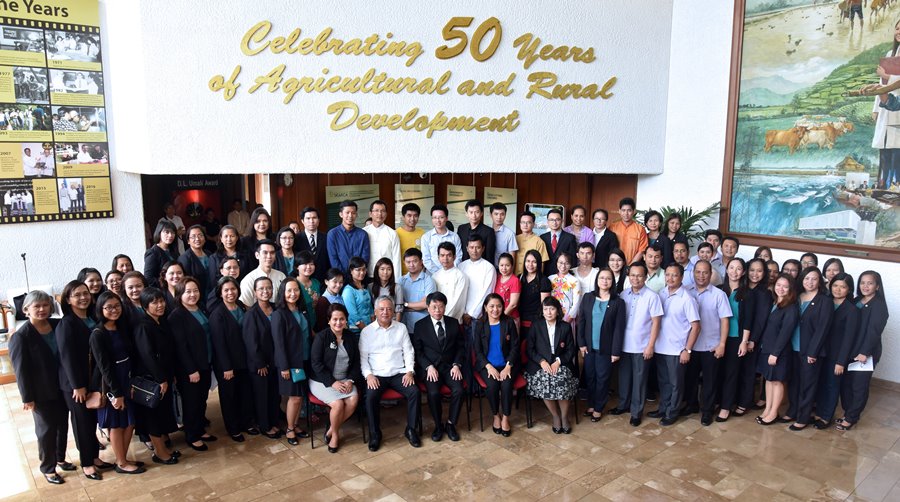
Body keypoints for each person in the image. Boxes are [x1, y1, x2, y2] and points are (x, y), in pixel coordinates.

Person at [9, 291, 73, 484]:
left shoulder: (57, 325)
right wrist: (27, 398)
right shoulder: (21, 336)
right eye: (37, 306)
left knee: (63, 424)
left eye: (45, 305)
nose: (42, 309)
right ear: (26, 309)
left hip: (62, 386)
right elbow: (21, 371)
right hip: (41, 392)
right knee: (46, 430)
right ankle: (48, 467)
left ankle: (60, 458)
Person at [90, 292, 144, 474]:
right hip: (112, 382)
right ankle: (121, 462)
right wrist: (116, 393)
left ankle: (124, 457)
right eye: (109, 307)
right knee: (116, 423)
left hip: (127, 378)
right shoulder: (98, 333)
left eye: (117, 306)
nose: (114, 310)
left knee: (130, 421)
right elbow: (104, 367)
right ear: (101, 309)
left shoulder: (122, 328)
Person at [56, 281, 106, 480]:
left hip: (92, 379)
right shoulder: (66, 323)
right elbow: (67, 357)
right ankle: (87, 464)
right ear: (68, 299)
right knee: (82, 423)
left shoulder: (92, 317)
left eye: (85, 294)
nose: (83, 297)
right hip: (75, 385)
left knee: (92, 421)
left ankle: (94, 457)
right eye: (77, 295)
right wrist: (78, 385)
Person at [360, 296, 421, 451]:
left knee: (414, 392)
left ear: (394, 311)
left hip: (398, 373)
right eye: (381, 309)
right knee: (370, 396)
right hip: (377, 375)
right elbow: (363, 358)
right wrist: (368, 375)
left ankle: (411, 430)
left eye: (389, 309)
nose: (385, 312)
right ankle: (375, 433)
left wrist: (409, 371)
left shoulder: (401, 328)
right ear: (375, 311)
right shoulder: (367, 332)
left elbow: (409, 352)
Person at [610, 262, 663, 426]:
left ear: (645, 277)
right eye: (632, 275)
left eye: (639, 275)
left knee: (639, 381)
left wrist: (650, 345)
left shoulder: (652, 296)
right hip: (624, 345)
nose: (635, 278)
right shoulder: (623, 295)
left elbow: (656, 323)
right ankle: (623, 405)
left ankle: (636, 412)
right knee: (624, 378)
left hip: (642, 346)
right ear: (628, 276)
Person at [130, 287, 180, 464]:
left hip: (164, 376)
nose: (160, 305)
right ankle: (160, 453)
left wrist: (170, 375)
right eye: (154, 302)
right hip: (152, 380)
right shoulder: (143, 326)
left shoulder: (161, 321)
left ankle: (163, 448)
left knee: (162, 414)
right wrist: (161, 379)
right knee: (153, 417)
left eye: (161, 301)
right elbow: (148, 355)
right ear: (145, 306)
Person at [168, 277, 216, 451]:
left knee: (201, 400)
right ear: (180, 294)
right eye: (188, 292)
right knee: (191, 402)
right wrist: (191, 369)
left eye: (195, 290)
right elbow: (181, 347)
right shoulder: (177, 316)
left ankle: (199, 428)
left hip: (205, 363)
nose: (192, 294)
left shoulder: (200, 308)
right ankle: (192, 435)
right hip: (190, 369)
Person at [837, 271, 889, 431]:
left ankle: (852, 417)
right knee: (846, 383)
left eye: (870, 283)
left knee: (858, 386)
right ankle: (848, 413)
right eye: (862, 282)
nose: (865, 286)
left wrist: (864, 352)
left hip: (865, 354)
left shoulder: (879, 305)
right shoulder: (856, 300)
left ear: (877, 286)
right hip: (850, 351)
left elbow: (874, 331)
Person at [650, 264, 700, 426]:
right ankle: (663, 408)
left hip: (677, 350)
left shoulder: (687, 298)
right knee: (663, 381)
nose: (670, 278)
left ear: (681, 277)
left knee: (675, 383)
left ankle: (673, 411)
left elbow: (696, 326)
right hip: (661, 347)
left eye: (675, 275)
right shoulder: (661, 293)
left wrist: (688, 349)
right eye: (668, 275)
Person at [783, 267, 832, 431]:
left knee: (808, 385)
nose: (810, 282)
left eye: (814, 279)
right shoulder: (796, 297)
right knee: (794, 382)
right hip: (793, 347)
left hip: (811, 351)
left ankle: (803, 417)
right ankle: (793, 410)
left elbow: (822, 329)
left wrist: (813, 352)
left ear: (820, 281)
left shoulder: (824, 300)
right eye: (806, 278)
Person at [683, 261, 731, 425]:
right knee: (690, 379)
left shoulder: (719, 294)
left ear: (711, 274)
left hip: (711, 346)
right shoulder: (686, 292)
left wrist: (722, 344)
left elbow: (725, 321)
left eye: (705, 272)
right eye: (698, 272)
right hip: (690, 346)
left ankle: (707, 411)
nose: (701, 276)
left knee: (710, 381)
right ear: (693, 273)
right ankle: (691, 405)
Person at [310, 304, 362, 453]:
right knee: (338, 404)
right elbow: (316, 364)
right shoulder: (321, 337)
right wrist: (332, 382)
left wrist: (350, 380)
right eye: (335, 319)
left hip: (345, 379)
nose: (338, 323)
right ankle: (335, 436)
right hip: (322, 381)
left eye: (342, 319)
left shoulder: (351, 337)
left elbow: (357, 362)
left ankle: (331, 429)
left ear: (346, 320)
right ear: (329, 320)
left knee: (352, 401)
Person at [413, 292, 465, 442]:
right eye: (434, 307)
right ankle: (438, 425)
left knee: (459, 390)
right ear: (428, 308)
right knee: (434, 393)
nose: (437, 310)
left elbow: (461, 347)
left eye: (441, 307)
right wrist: (428, 366)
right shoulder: (420, 326)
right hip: (431, 368)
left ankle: (451, 424)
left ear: (444, 307)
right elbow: (418, 351)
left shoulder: (453, 323)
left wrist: (456, 364)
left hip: (450, 367)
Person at [208, 277, 254, 442]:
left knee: (245, 394)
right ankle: (233, 428)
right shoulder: (217, 314)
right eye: (226, 290)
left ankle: (246, 423)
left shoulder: (241, 306)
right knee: (230, 397)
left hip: (244, 361)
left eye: (233, 289)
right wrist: (227, 367)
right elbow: (219, 344)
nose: (230, 293)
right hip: (227, 364)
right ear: (220, 293)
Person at [577, 268, 625, 422]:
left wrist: (615, 351)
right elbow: (582, 321)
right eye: (602, 278)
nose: (605, 281)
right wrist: (582, 343)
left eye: (608, 278)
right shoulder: (588, 297)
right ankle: (591, 404)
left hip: (606, 349)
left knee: (602, 379)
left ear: (613, 282)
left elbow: (619, 329)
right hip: (589, 347)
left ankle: (598, 407)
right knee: (590, 377)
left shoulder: (618, 302)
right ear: (597, 280)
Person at [526, 297, 578, 434]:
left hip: (561, 363)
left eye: (552, 309)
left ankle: (564, 417)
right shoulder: (536, 325)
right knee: (546, 381)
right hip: (540, 364)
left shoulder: (565, 327)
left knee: (561, 380)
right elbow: (530, 349)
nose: (549, 312)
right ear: (542, 311)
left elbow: (571, 350)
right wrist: (541, 361)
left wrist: (559, 361)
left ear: (557, 311)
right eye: (546, 309)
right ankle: (555, 416)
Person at [813, 273, 858, 430]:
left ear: (849, 290)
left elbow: (848, 339)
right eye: (835, 285)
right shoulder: (825, 302)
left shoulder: (851, 310)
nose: (838, 289)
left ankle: (826, 416)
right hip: (820, 351)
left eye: (843, 287)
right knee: (821, 382)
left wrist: (841, 362)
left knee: (832, 385)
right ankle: (819, 412)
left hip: (836, 355)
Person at [271, 278, 312, 446]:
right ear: (283, 292)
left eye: (296, 290)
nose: (293, 293)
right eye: (289, 290)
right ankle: (289, 429)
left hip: (305, 359)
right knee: (294, 397)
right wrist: (284, 366)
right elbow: (278, 343)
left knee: (300, 396)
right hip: (290, 363)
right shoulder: (278, 314)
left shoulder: (301, 310)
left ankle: (295, 425)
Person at [756, 274, 799, 426]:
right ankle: (767, 409)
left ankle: (774, 412)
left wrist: (775, 353)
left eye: (785, 286)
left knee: (777, 382)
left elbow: (786, 332)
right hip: (766, 348)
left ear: (791, 289)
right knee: (768, 380)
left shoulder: (791, 307)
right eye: (778, 285)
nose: (781, 288)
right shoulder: (775, 302)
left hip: (778, 352)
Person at [242, 277, 282, 439]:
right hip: (260, 365)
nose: (265, 291)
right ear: (255, 292)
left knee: (274, 394)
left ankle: (274, 421)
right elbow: (251, 343)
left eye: (268, 288)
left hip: (275, 362)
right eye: (261, 289)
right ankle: (265, 425)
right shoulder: (251, 314)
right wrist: (260, 363)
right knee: (262, 396)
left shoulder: (276, 308)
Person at [474, 294, 520, 436]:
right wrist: (488, 366)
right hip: (488, 365)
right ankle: (496, 415)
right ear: (485, 308)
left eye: (499, 306)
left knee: (506, 385)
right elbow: (477, 349)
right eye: (492, 306)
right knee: (492, 385)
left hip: (507, 364)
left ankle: (506, 417)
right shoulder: (480, 324)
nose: (495, 309)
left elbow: (515, 347)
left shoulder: (509, 322)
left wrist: (508, 366)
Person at [717, 258, 755, 422]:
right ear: (726, 269)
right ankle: (717, 402)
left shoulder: (747, 293)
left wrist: (744, 341)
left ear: (743, 272)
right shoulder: (719, 290)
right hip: (716, 338)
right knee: (717, 373)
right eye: (731, 268)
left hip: (735, 339)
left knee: (731, 374)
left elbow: (748, 320)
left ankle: (726, 407)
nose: (734, 271)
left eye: (739, 268)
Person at [872, 22, 900, 189]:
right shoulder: (890, 54)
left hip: (897, 106)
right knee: (885, 148)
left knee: (897, 148)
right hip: (886, 105)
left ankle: (895, 186)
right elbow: (880, 83)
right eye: (897, 28)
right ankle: (883, 185)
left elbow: (889, 79)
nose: (899, 32)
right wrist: (876, 108)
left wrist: (887, 75)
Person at [238, 239, 286, 307]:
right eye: (265, 253)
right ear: (257, 255)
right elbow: (246, 306)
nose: (269, 256)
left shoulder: (281, 276)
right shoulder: (248, 280)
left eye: (272, 253)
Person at [327, 200, 370, 273]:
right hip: (340, 279)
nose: (350, 216)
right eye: (347, 212)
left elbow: (365, 258)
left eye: (353, 213)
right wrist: (344, 276)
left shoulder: (363, 234)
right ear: (341, 214)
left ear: (356, 214)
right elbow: (333, 259)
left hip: (359, 277)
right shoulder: (332, 234)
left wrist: (356, 274)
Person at [400, 248, 436, 333]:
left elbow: (426, 304)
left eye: (414, 261)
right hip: (404, 327)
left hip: (423, 328)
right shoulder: (400, 281)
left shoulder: (429, 281)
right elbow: (396, 305)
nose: (411, 265)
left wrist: (405, 304)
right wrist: (418, 306)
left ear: (421, 261)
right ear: (404, 263)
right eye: (408, 262)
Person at [518, 249, 552, 339]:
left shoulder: (544, 281)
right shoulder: (520, 278)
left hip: (534, 322)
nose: (530, 265)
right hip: (519, 319)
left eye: (534, 262)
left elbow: (544, 306)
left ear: (539, 263)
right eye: (528, 261)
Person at [363, 200, 401, 278]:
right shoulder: (363, 232)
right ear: (370, 213)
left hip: (386, 277)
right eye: (376, 210)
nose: (380, 214)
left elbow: (396, 259)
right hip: (367, 276)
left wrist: (396, 281)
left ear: (386, 214)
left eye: (383, 211)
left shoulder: (392, 233)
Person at [432, 242, 469, 322]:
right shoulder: (435, 276)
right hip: (436, 319)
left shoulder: (461, 276)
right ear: (438, 257)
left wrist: (443, 318)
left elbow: (458, 303)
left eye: (449, 255)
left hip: (453, 321)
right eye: (442, 255)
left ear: (454, 257)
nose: (445, 259)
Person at [420, 204, 462, 274]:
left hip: (451, 274)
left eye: (441, 217)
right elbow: (426, 259)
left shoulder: (455, 237)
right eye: (435, 217)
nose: (438, 220)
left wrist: (449, 271)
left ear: (446, 218)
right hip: (433, 276)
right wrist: (439, 273)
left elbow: (458, 256)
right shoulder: (426, 237)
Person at [295, 207, 330, 283]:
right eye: (308, 218)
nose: (311, 221)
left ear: (319, 220)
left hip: (323, 280)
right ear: (302, 221)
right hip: (303, 281)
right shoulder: (296, 239)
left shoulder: (327, 237)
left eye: (314, 218)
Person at [608, 197, 648, 265]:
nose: (626, 213)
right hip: (615, 265)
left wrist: (630, 267)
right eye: (623, 210)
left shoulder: (640, 229)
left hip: (632, 266)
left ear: (634, 211)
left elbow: (641, 250)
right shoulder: (612, 227)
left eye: (629, 210)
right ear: (619, 211)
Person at [457, 199, 496, 264]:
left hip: (481, 268)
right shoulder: (461, 229)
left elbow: (490, 255)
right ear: (466, 213)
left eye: (477, 212)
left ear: (481, 213)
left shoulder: (489, 231)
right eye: (471, 212)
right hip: (463, 267)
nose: (474, 215)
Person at [540, 208, 577, 276]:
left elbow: (573, 260)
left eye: (557, 219)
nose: (554, 222)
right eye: (551, 220)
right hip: (545, 276)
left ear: (562, 220)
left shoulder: (570, 238)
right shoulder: (542, 238)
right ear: (547, 222)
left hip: (563, 276)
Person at [178, 225, 211, 299]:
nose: (197, 239)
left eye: (200, 235)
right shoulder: (184, 258)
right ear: (188, 241)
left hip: (212, 294)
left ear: (205, 239)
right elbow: (184, 282)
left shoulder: (209, 254)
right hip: (196, 296)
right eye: (193, 236)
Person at [209, 225, 247, 289]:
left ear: (237, 238)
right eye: (226, 236)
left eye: (232, 236)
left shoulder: (245, 255)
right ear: (221, 239)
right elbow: (213, 280)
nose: (229, 239)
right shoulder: (214, 258)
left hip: (243, 289)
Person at [342, 256, 373, 333]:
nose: (362, 272)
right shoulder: (348, 290)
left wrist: (373, 326)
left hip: (370, 327)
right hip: (356, 330)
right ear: (351, 271)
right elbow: (353, 314)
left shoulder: (365, 287)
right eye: (358, 270)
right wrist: (367, 330)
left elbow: (370, 308)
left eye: (364, 269)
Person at [549, 253, 582, 323]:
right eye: (560, 262)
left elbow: (576, 302)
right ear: (556, 262)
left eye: (567, 263)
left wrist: (569, 318)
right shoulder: (550, 278)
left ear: (570, 265)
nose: (563, 266)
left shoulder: (574, 281)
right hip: (551, 315)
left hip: (567, 317)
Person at [144, 220, 179, 288]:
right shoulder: (153, 252)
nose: (170, 235)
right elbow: (148, 278)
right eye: (167, 232)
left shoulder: (173, 251)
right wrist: (167, 284)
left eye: (173, 232)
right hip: (162, 291)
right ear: (159, 233)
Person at [515, 211, 550, 275]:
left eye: (528, 222)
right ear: (520, 224)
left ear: (533, 224)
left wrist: (537, 280)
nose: (525, 225)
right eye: (523, 222)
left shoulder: (539, 241)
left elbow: (541, 263)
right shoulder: (514, 239)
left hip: (530, 278)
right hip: (514, 277)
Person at [370, 257, 403, 322]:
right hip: (376, 322)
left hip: (392, 321)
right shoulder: (370, 287)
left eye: (389, 269)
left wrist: (396, 326)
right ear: (377, 270)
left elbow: (399, 309)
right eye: (382, 269)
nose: (385, 272)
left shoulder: (397, 287)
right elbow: (370, 308)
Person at [397, 203, 425, 275]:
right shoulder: (396, 234)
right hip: (401, 275)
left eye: (415, 216)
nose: (412, 219)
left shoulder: (422, 233)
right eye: (409, 216)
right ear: (403, 217)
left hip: (418, 275)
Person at [494, 253, 521, 322]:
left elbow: (513, 304)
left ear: (512, 266)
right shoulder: (497, 278)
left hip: (510, 318)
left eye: (507, 265)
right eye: (501, 265)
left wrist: (501, 317)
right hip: (497, 316)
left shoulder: (515, 280)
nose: (504, 268)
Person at [490, 202, 518, 267]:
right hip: (487, 269)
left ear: (505, 215)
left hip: (502, 270)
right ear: (491, 215)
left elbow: (512, 258)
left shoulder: (510, 234)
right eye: (496, 214)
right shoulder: (486, 231)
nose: (499, 217)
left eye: (502, 214)